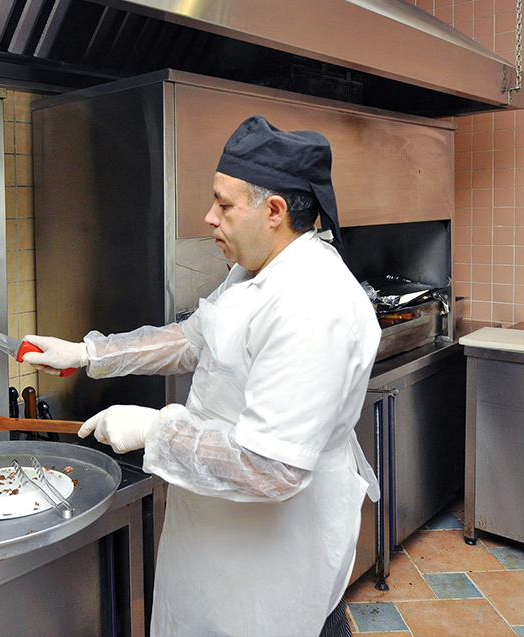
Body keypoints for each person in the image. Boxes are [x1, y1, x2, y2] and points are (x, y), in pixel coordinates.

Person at [22, 115, 381, 637]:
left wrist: (155, 430)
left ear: (274, 211)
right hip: (222, 528)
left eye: (224, 204)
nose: (209, 217)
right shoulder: (256, 268)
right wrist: (88, 353)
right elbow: (195, 338)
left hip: (275, 546)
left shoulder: (311, 304)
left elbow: (272, 468)